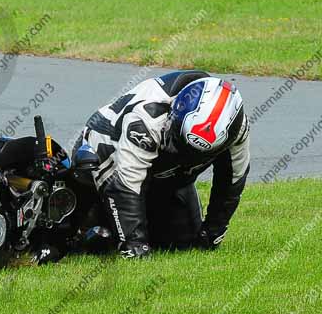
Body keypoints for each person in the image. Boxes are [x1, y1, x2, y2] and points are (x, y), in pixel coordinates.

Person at [74, 70, 251, 258]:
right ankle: (88, 220)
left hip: (168, 176)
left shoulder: (238, 130)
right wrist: (136, 245)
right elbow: (126, 185)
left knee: (184, 244)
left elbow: (232, 181)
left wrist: (213, 232)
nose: (183, 154)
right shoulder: (147, 115)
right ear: (175, 112)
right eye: (181, 145)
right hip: (108, 157)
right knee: (110, 244)